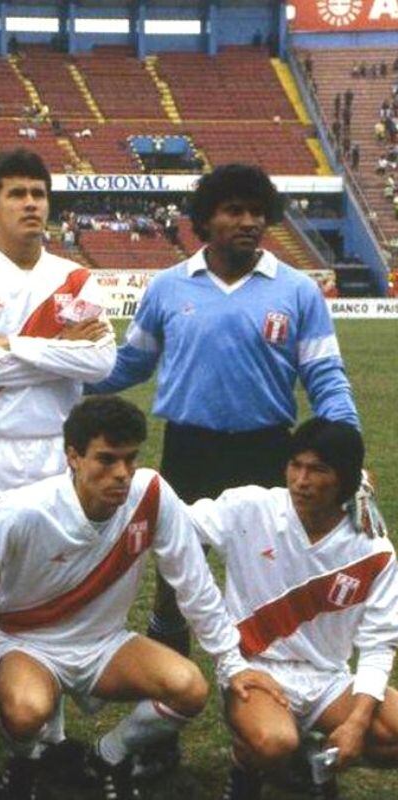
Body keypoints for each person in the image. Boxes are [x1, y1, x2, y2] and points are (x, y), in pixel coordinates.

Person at [88, 163, 359, 773]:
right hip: (189, 452)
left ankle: (284, 733)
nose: (249, 221)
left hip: (268, 454)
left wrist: (349, 453)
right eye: (233, 210)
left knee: (276, 593)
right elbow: (128, 367)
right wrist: (53, 377)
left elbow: (325, 378)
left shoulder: (296, 291)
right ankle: (158, 739)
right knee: (172, 594)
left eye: (257, 210)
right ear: (204, 219)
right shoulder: (167, 289)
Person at [0, 396, 284, 800]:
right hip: (30, 645)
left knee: (190, 687)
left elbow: (194, 584)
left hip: (106, 643)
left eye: (130, 459)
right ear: (73, 456)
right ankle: (25, 762)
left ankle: (106, 756)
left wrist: (231, 664)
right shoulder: (25, 509)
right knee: (25, 712)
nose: (121, 473)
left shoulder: (152, 494)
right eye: (106, 460)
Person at [0, 148, 115, 786]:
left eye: (39, 193)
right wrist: (53, 352)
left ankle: (49, 735)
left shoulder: (76, 278)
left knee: (48, 589)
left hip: (52, 450)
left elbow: (101, 364)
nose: (31, 204)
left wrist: (16, 344)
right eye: (16, 194)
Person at [184, 419, 398, 799]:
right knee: (273, 741)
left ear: (345, 479)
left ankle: (315, 758)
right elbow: (178, 525)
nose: (301, 480)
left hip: (327, 678)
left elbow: (380, 643)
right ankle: (244, 768)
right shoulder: (250, 507)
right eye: (295, 465)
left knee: (391, 733)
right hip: (255, 669)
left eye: (318, 470)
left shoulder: (372, 548)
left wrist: (357, 722)